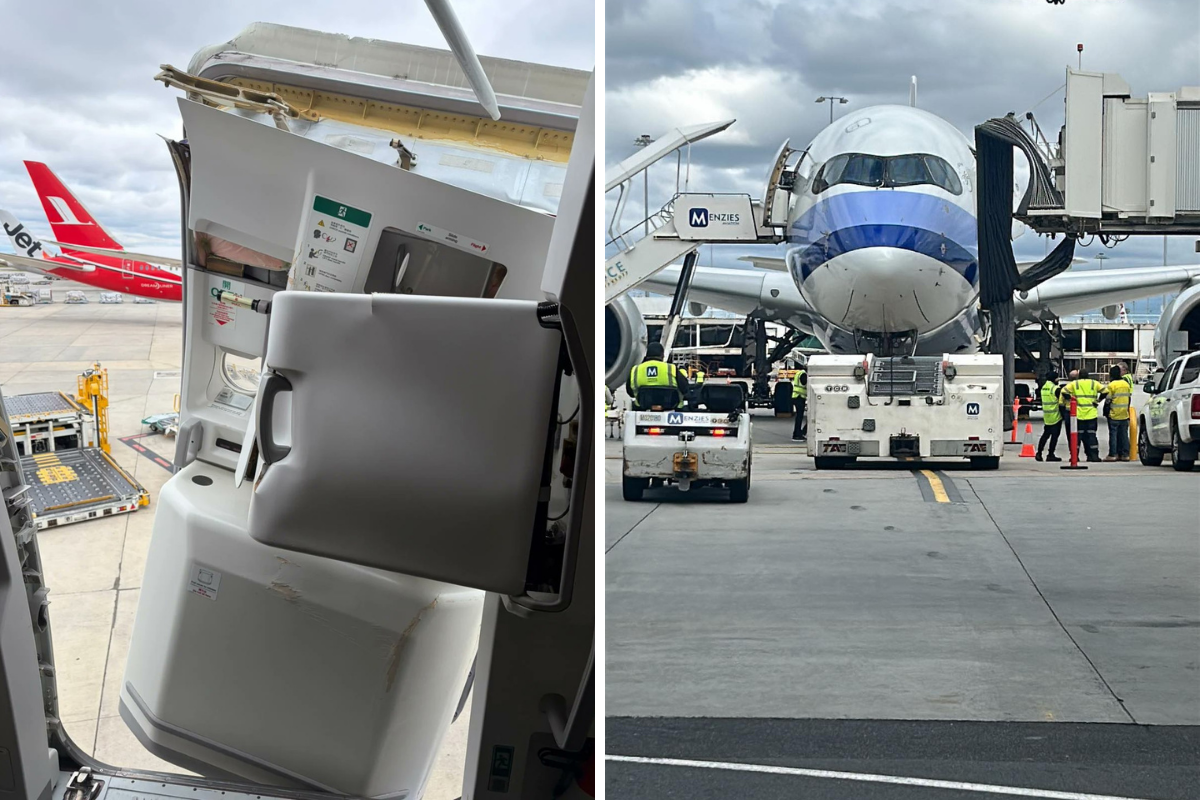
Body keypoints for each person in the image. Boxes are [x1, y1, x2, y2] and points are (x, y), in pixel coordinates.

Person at [627, 342, 688, 410]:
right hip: (671, 409)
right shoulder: (671, 368)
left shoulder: (636, 370)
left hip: (643, 409)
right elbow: (685, 388)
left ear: (646, 355)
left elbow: (630, 392)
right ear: (662, 355)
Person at [1061, 368, 1103, 462]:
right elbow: (1105, 391)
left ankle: (1074, 457)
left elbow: (1063, 392)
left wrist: (1072, 400)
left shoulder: (1074, 384)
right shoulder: (1094, 383)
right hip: (1091, 414)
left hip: (1078, 414)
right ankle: (1094, 456)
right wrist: (1097, 401)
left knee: (1077, 437)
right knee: (1091, 436)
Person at [1103, 365, 1132, 461]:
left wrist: (1106, 412)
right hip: (1124, 414)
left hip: (1114, 414)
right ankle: (1125, 455)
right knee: (1124, 435)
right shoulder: (1126, 384)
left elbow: (1108, 400)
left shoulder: (1112, 385)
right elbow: (1129, 398)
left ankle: (1113, 454)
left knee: (1113, 435)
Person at [1035, 370, 1063, 462]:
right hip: (1056, 416)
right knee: (1054, 436)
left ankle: (1039, 453)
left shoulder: (1044, 387)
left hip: (1047, 416)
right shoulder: (1055, 389)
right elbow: (1062, 399)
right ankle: (1050, 454)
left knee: (1045, 435)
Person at [791, 366, 808, 441]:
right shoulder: (804, 374)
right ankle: (797, 434)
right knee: (799, 417)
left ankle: (798, 433)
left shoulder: (799, 373)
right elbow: (804, 383)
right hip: (799, 396)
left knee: (799, 416)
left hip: (796, 396)